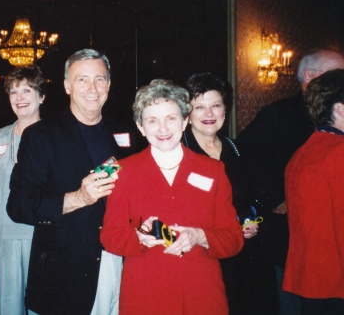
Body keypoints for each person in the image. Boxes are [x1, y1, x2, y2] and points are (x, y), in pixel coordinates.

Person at [7, 49, 137, 315]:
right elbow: (18, 205)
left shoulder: (125, 133)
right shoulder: (41, 135)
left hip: (120, 263)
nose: (92, 88)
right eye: (82, 80)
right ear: (67, 85)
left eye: (100, 79)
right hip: (64, 275)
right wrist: (77, 198)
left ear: (109, 85)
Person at [101, 78, 244, 315]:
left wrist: (201, 236)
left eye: (171, 118)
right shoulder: (124, 172)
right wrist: (139, 237)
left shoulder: (213, 170)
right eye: (152, 121)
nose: (163, 129)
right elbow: (109, 236)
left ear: (185, 121)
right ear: (140, 126)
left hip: (202, 294)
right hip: (145, 296)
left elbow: (234, 238)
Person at [237, 49, 344, 313]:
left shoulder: (311, 145)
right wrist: (274, 200)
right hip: (329, 273)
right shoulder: (334, 148)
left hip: (306, 270)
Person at [183, 73, 275, 314]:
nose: (209, 114)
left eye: (216, 105)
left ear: (225, 110)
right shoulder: (177, 154)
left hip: (241, 258)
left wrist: (254, 221)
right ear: (187, 114)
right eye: (199, 107)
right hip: (198, 257)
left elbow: (260, 199)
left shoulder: (239, 150)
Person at [0, 66, 45, 315]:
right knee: (9, 309)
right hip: (3, 241)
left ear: (41, 96)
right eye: (14, 92)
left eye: (27, 90)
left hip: (42, 240)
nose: (19, 97)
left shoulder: (55, 138)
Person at [283, 69, 344, 314]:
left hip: (309, 280)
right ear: (340, 108)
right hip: (334, 282)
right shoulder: (338, 151)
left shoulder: (307, 149)